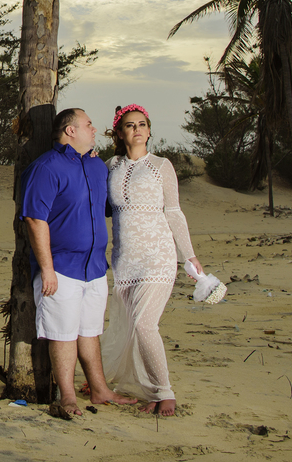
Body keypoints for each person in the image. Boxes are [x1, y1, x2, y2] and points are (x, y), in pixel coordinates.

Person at [21, 108, 135, 415]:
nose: (93, 128)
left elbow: (109, 208)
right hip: (61, 269)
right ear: (70, 131)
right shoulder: (46, 167)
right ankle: (68, 397)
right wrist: (46, 270)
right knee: (63, 333)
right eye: (87, 124)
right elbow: (34, 220)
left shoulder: (98, 166)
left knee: (89, 332)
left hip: (95, 269)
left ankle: (100, 390)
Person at [100, 103, 204, 416]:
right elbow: (101, 207)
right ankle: (128, 384)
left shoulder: (161, 165)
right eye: (130, 125)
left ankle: (164, 391)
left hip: (158, 256)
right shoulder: (110, 166)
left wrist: (190, 256)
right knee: (129, 327)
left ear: (149, 130)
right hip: (124, 260)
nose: (138, 130)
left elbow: (173, 212)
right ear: (119, 132)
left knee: (145, 325)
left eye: (142, 124)